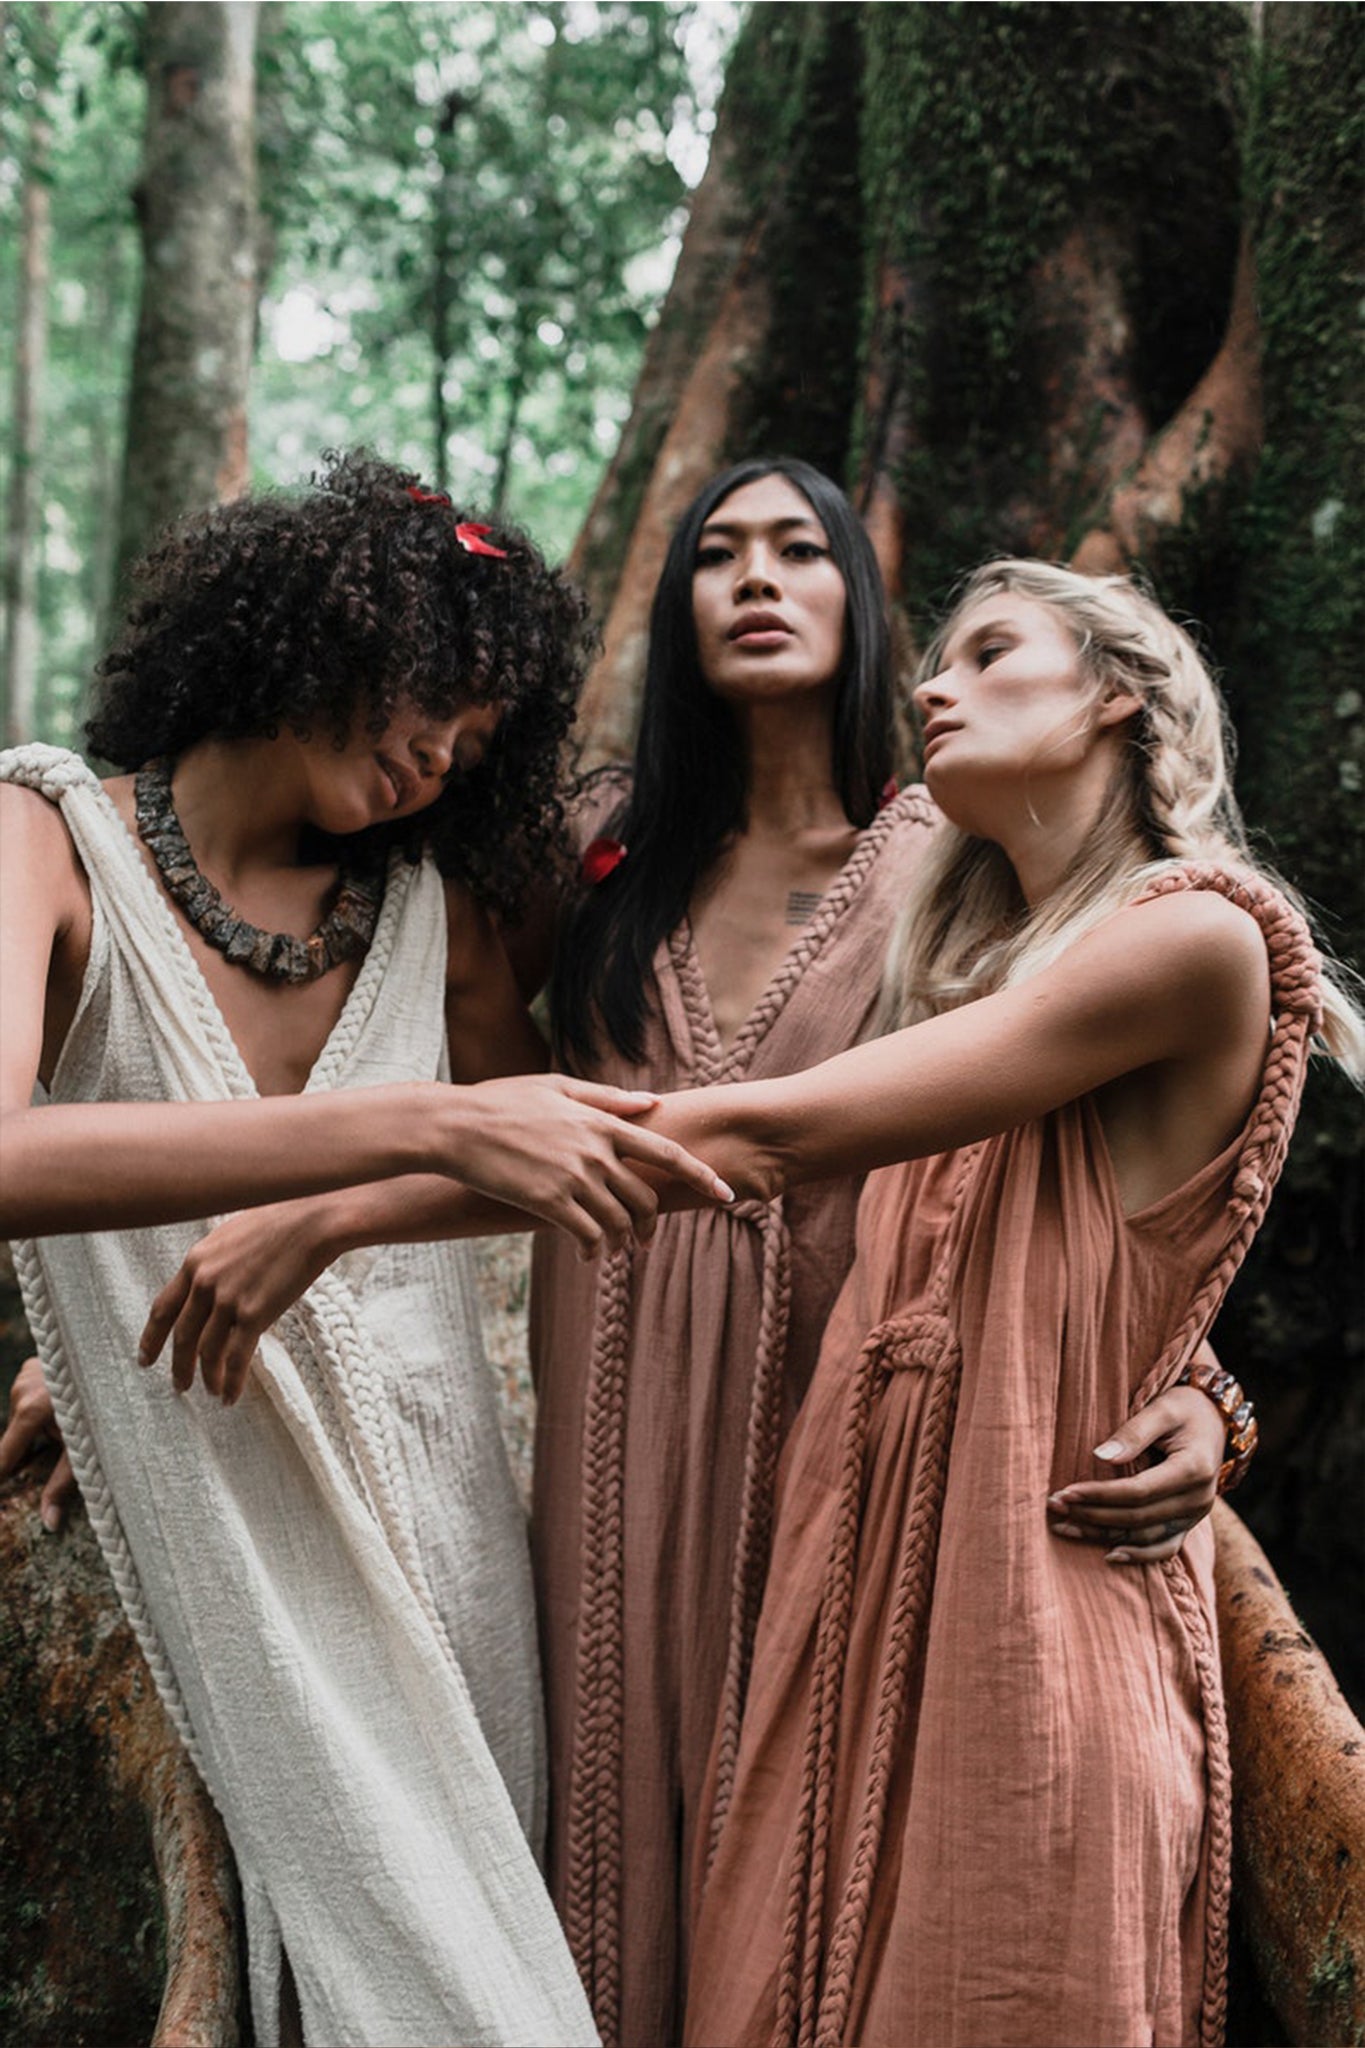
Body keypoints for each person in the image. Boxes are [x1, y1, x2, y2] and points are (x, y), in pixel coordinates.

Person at [106, 466, 1237, 2046]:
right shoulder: (586, 848)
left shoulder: (965, 876)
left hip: (851, 1416)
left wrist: (1196, 1386)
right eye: (716, 555)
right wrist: (111, 1316)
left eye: (799, 551)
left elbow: (1064, 1196)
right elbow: (356, 1016)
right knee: (609, 1781)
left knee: (824, 1809)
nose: (755, 579)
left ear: (858, 595)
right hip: (615, 1411)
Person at [0, 451, 733, 2047]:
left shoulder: (432, 910)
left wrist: (350, 1205)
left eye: (475, 739)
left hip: (446, 1507)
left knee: (479, 1935)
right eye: (428, 694)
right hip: (217, 1497)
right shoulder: (44, 839)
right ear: (307, 630)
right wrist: (97, 1322)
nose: (437, 757)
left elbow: (543, 1154)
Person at [637, 559, 1364, 2048]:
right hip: (836, 1623)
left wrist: (331, 1200)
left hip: (1029, 1631)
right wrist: (1196, 1380)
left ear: (1117, 694)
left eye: (985, 652)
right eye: (932, 664)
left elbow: (759, 1138)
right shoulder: (964, 989)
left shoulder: (1196, 932)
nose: (929, 687)